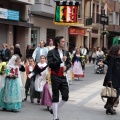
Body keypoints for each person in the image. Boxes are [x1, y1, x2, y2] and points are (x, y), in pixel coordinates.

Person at [47, 36, 71, 120]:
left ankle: (53, 109)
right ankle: (55, 117)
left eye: (64, 41)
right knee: (56, 96)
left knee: (65, 96)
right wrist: (60, 60)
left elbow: (69, 63)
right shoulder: (51, 52)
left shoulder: (66, 52)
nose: (64, 43)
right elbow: (50, 64)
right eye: (62, 41)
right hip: (55, 75)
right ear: (58, 43)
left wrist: (66, 67)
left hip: (63, 75)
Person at [103, 45, 120, 115]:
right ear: (116, 50)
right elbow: (110, 69)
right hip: (113, 78)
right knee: (115, 93)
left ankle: (109, 106)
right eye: (119, 50)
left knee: (113, 93)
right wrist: (110, 79)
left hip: (118, 78)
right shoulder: (112, 58)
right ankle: (109, 106)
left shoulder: (118, 57)